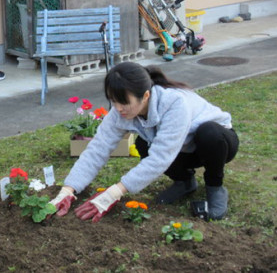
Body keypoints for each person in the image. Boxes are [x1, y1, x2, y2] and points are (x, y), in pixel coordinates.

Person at [50, 61, 239, 222]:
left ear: (146, 96)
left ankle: (215, 187)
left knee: (209, 133)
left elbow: (161, 157)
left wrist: (114, 192)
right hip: (181, 150)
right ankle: (184, 182)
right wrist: (69, 188)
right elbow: (97, 149)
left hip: (217, 144)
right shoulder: (119, 112)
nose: (118, 109)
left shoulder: (174, 103)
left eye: (124, 102)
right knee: (142, 144)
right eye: (113, 101)